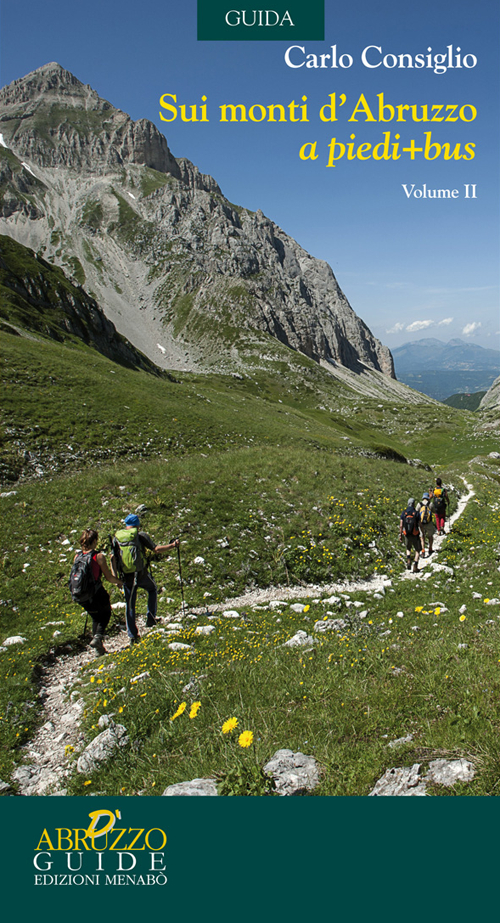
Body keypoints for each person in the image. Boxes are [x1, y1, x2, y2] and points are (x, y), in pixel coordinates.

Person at [112, 514, 179, 645]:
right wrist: (173, 545)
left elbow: (112, 558)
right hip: (141, 574)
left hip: (126, 577)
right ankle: (151, 618)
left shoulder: (117, 538)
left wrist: (115, 579)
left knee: (130, 604)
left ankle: (132, 636)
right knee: (152, 588)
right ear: (137, 524)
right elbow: (156, 550)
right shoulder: (140, 535)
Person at [75, 529, 122, 656]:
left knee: (95, 617)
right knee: (106, 613)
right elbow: (108, 578)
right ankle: (97, 638)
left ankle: (98, 649)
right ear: (94, 541)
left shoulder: (77, 556)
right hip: (96, 592)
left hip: (80, 594)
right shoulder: (98, 556)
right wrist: (120, 581)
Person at [399, 497, 421, 573]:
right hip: (415, 534)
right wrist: (422, 532)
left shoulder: (404, 513)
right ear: (414, 504)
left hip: (407, 534)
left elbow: (401, 525)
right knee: (417, 550)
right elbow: (420, 524)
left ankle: (408, 560)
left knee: (408, 548)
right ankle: (415, 565)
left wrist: (400, 535)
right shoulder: (416, 512)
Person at [416, 492, 436, 557]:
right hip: (429, 522)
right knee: (430, 536)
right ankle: (430, 548)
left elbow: (416, 513)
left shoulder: (419, 504)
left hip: (421, 523)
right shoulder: (430, 504)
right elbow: (434, 511)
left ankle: (423, 550)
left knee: (422, 537)